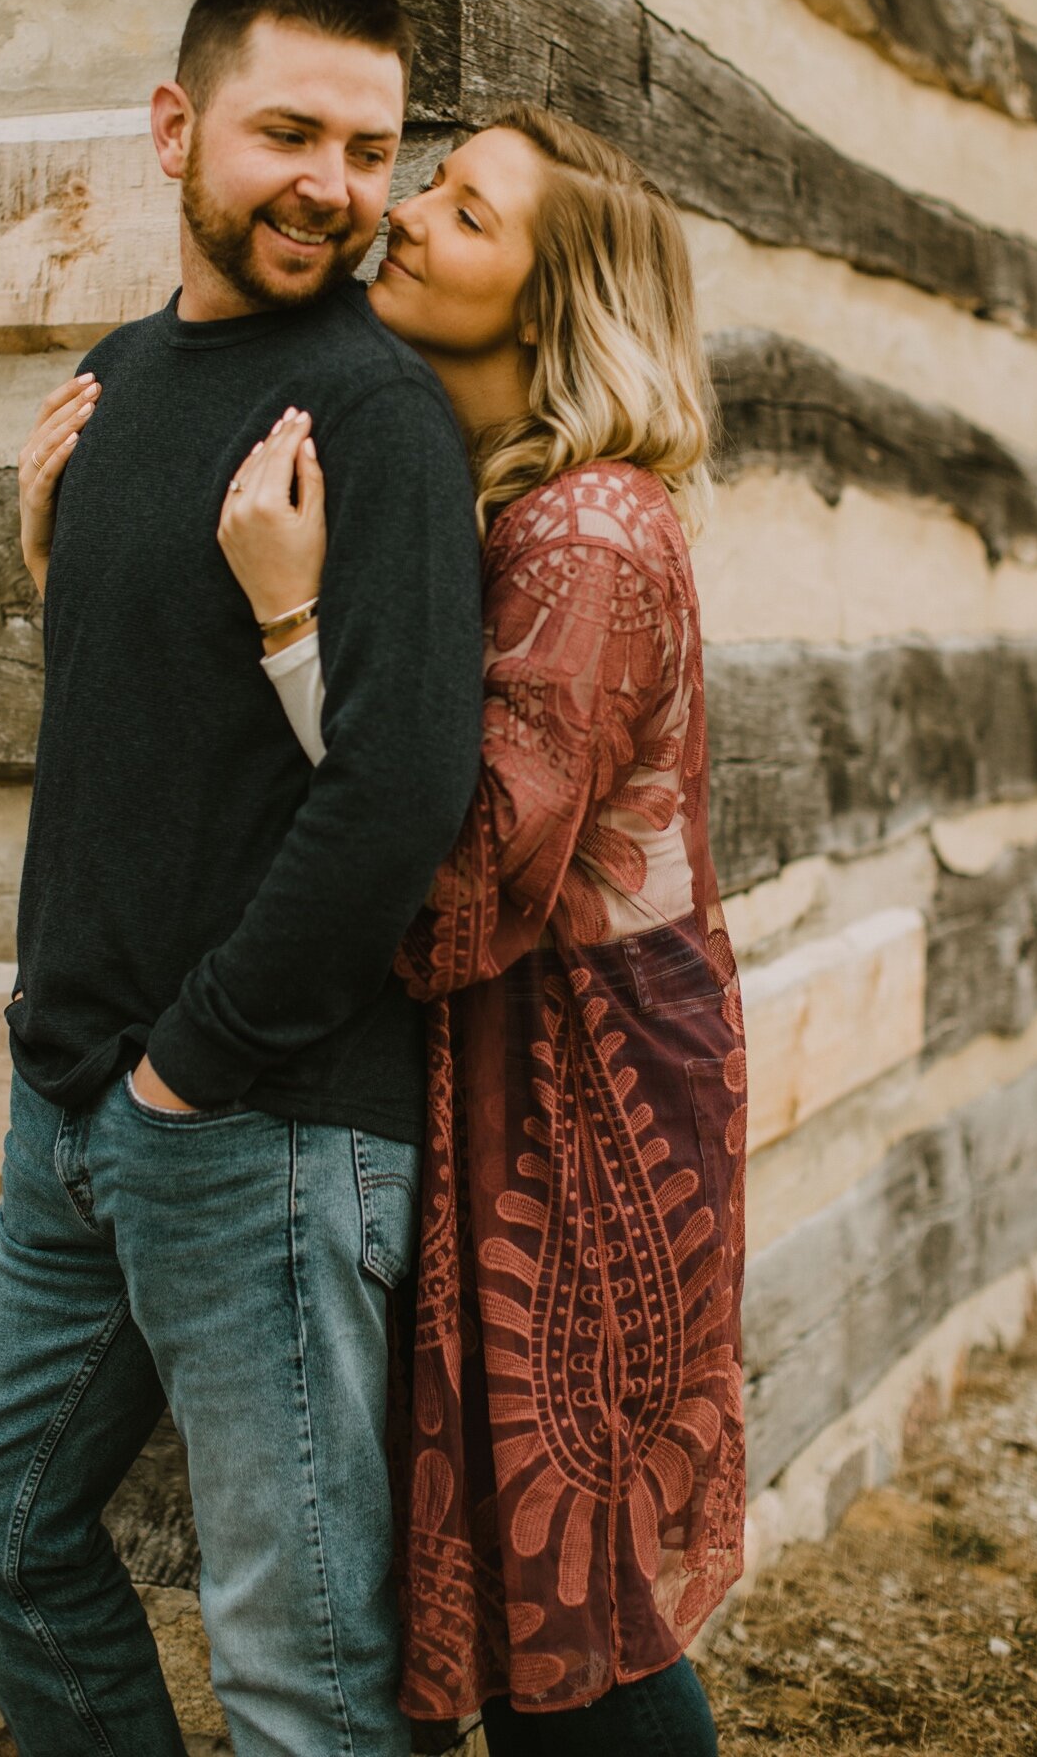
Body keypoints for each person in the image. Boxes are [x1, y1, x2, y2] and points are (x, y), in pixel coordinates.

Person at [0, 0, 485, 1757]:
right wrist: (56, 569)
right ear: (178, 129)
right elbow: (146, 721)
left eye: (371, 146)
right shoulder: (117, 380)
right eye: (288, 131)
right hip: (73, 1104)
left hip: (261, 1122)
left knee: (300, 1674)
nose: (333, 184)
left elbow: (396, 795)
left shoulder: (379, 420)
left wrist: (190, 1069)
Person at [216, 104, 744, 1753]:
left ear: (554, 301)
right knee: (541, 1596)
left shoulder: (587, 533)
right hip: (549, 1071)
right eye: (430, 186)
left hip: (585, 1102)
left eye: (468, 212)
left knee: (576, 1588)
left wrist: (291, 619)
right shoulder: (519, 502)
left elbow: (455, 886)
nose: (410, 218)